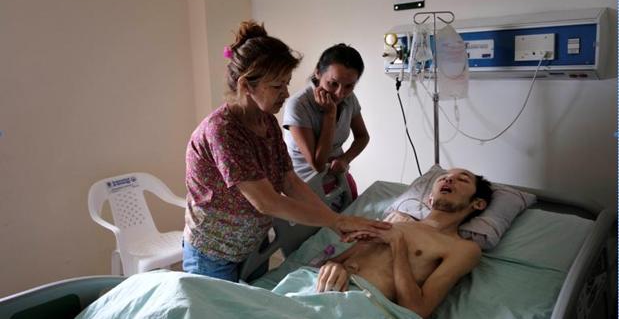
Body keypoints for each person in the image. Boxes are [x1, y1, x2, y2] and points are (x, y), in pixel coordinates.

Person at [183, 21, 390, 282]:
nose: (286, 93)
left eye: (287, 83)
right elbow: (267, 200)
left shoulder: (266, 121)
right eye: (277, 86)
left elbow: (289, 181)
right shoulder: (223, 131)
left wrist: (334, 221)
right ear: (247, 85)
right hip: (214, 253)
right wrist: (336, 222)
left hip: (251, 246)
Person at [316, 168, 493, 318]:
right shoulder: (393, 223)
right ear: (430, 199)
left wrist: (397, 243)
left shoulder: (462, 248)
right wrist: (332, 265)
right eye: (443, 177)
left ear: (478, 203)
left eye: (462, 179)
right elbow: (325, 264)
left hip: (360, 305)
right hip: (318, 288)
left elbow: (417, 310)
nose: (449, 179)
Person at [282, 44, 369, 199]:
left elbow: (363, 137)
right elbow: (318, 165)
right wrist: (330, 114)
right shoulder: (298, 105)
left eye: (349, 86)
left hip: (339, 180)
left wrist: (345, 159)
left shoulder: (349, 99)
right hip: (306, 187)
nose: (340, 93)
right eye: (333, 83)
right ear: (318, 73)